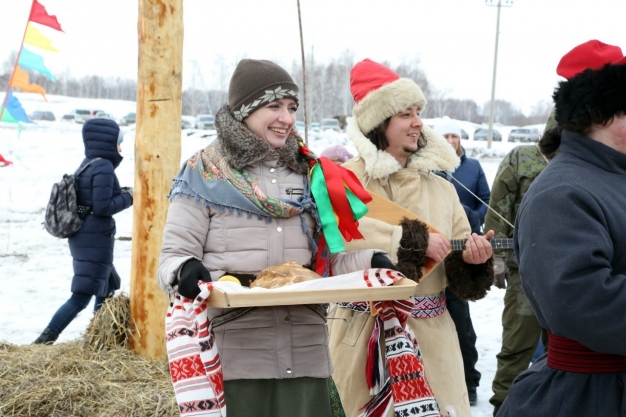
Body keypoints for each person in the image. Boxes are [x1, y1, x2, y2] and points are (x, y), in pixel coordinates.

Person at [157, 59, 389, 417]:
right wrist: (184, 269)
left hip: (307, 353)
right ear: (244, 111)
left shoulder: (311, 174)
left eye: (292, 107)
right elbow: (172, 256)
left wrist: (369, 261)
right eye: (274, 106)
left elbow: (325, 264)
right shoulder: (202, 172)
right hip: (238, 358)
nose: (287, 118)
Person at [328, 58, 495, 417]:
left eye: (417, 112)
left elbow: (456, 256)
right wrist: (409, 243)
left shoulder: (442, 189)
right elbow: (334, 242)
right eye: (405, 113)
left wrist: (472, 261)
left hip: (433, 337)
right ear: (377, 123)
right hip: (361, 338)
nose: (418, 122)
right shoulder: (342, 180)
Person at [498, 39, 626, 417]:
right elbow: (585, 302)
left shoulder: (610, 178)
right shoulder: (562, 192)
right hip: (589, 397)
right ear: (603, 115)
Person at [33, 119, 133, 344]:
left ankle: (101, 340)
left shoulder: (89, 162)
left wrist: (122, 193)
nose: (121, 148)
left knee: (106, 286)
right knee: (82, 295)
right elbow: (102, 207)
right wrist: (130, 197)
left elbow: (94, 199)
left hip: (86, 236)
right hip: (94, 238)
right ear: (108, 142)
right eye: (119, 142)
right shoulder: (104, 166)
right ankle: (44, 340)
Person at [485, 120, 551, 416]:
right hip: (526, 273)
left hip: (575, 275)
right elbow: (499, 206)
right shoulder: (523, 158)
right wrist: (496, 256)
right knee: (517, 344)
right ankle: (504, 405)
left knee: (567, 350)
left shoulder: (593, 163)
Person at [433, 119, 491, 406]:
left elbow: (485, 199)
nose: (451, 140)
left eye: (455, 135)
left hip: (461, 250)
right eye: (446, 136)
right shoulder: (427, 171)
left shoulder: (473, 167)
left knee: (462, 329)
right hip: (427, 265)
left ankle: (470, 383)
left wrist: (471, 216)